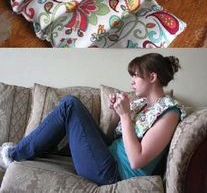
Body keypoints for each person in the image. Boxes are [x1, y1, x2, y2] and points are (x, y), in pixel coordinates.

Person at [0, 53, 186, 186]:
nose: (131, 81)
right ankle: (35, 150)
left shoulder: (169, 112)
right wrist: (116, 112)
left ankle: (14, 155)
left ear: (152, 77)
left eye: (135, 75)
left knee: (70, 105)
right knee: (70, 104)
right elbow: (115, 138)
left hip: (114, 174)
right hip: (107, 155)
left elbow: (136, 160)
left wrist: (125, 115)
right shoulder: (141, 105)